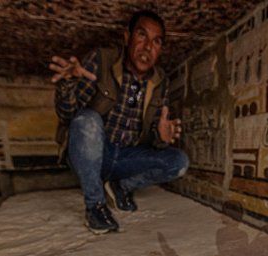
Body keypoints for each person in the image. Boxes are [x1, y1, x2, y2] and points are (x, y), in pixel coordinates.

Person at [49, 10, 189, 234]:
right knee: (87, 119)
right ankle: (95, 206)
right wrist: (68, 85)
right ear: (127, 37)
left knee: (179, 161)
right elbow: (69, 117)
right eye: (142, 36)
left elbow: (153, 137)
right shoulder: (101, 60)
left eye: (156, 41)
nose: (147, 47)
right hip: (95, 154)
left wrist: (162, 138)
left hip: (126, 157)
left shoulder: (160, 81)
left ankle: (120, 187)